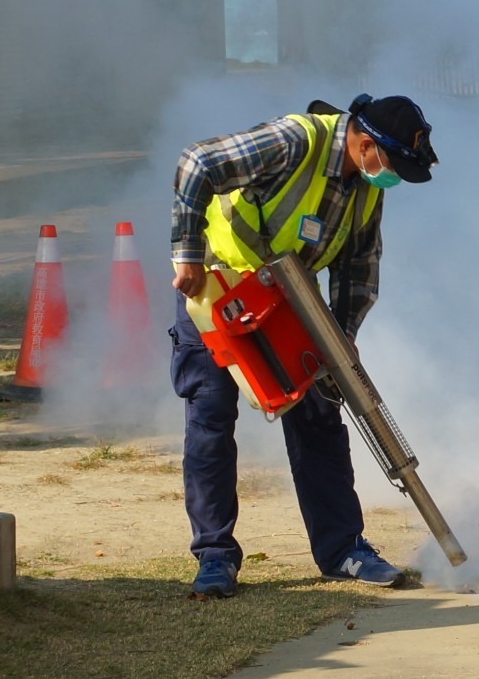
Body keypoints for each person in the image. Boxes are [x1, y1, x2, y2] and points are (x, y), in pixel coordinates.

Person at [168, 93, 438, 597]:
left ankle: (343, 550)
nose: (393, 178)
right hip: (216, 288)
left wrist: (344, 336)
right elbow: (198, 162)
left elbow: (359, 267)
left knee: (319, 417)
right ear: (365, 143)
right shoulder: (297, 140)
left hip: (287, 298)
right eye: (393, 164)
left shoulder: (367, 189)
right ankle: (215, 557)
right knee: (210, 420)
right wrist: (186, 253)